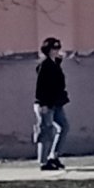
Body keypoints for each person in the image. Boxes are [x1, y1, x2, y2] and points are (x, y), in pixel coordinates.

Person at [34, 36, 69, 171]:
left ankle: (54, 156)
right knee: (46, 131)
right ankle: (43, 162)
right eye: (53, 48)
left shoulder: (56, 64)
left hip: (56, 103)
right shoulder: (45, 65)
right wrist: (42, 104)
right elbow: (41, 86)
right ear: (47, 50)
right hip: (45, 104)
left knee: (64, 127)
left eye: (58, 48)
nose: (56, 50)